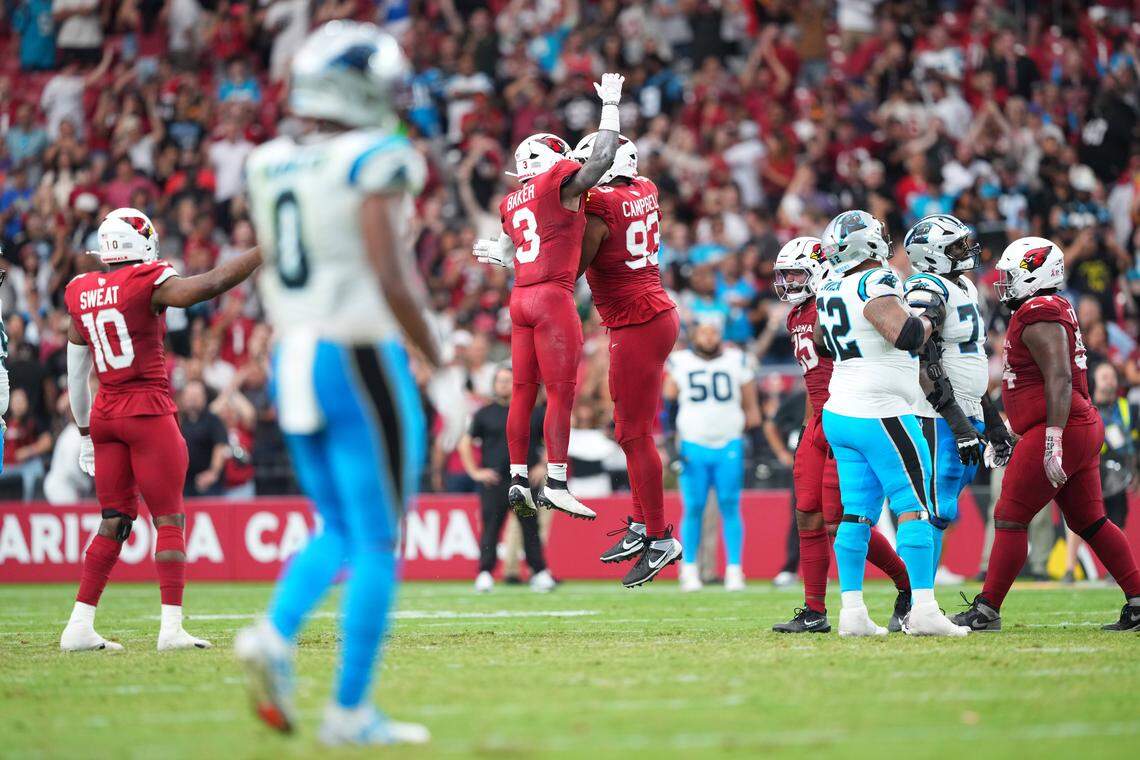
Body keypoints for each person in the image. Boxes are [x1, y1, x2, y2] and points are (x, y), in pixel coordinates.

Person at [235, 23, 441, 745]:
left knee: (340, 528)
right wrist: (436, 354)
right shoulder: (377, 156)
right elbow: (391, 276)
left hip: (293, 355)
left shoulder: (265, 163)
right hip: (355, 352)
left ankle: (275, 631)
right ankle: (350, 711)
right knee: (380, 541)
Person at [58, 207, 261, 652]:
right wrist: (264, 252)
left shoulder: (80, 289)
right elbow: (207, 286)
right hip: (147, 409)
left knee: (113, 520)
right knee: (169, 517)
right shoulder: (145, 281)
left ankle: (79, 625)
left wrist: (86, 433)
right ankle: (170, 629)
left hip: (106, 415)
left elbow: (76, 376)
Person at [954, 237, 1140, 632]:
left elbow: (1059, 376)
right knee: (1089, 520)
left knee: (1009, 515)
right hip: (1074, 423)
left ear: (1037, 275)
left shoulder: (1039, 309)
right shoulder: (1046, 307)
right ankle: (1139, 600)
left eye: (1012, 275)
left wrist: (1052, 437)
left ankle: (986, 609)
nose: (1004, 283)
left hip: (1061, 426)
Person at [471, 72, 627, 523]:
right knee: (561, 394)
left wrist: (503, 257)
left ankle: (518, 477)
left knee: (522, 392)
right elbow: (598, 161)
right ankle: (556, 483)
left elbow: (515, 247)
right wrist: (611, 107)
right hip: (553, 297)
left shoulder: (511, 200)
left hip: (520, 298)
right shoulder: (556, 181)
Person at [816, 209, 967, 637]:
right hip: (879, 411)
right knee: (914, 507)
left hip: (841, 410)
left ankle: (852, 613)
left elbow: (820, 342)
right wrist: (929, 318)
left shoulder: (829, 285)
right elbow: (906, 335)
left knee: (856, 515)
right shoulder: (875, 280)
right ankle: (923, 608)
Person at [769, 237, 913, 634]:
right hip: (816, 422)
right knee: (807, 515)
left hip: (847, 412)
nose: (789, 282)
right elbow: (810, 380)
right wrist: (805, 429)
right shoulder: (795, 316)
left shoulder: (835, 301)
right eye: (786, 275)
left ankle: (907, 585)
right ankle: (814, 610)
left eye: (796, 273)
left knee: (841, 522)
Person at [569, 131, 682, 588]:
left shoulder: (603, 206)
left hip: (636, 320)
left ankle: (658, 536)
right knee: (630, 432)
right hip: (654, 313)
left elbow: (573, 267)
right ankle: (641, 523)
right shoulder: (646, 188)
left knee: (633, 434)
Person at [902, 215, 1015, 578]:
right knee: (932, 508)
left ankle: (922, 601)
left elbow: (972, 362)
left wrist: (992, 422)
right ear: (931, 254)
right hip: (938, 415)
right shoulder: (924, 286)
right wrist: (959, 422)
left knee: (943, 508)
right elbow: (922, 355)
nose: (965, 251)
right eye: (955, 246)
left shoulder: (964, 285)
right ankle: (914, 603)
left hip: (967, 411)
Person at [662, 318, 760, 592]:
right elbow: (667, 407)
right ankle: (689, 568)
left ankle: (734, 569)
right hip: (692, 444)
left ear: (720, 334)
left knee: (730, 504)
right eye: (703, 332)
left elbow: (752, 407)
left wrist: (757, 446)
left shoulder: (737, 360)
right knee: (693, 507)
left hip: (729, 442)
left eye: (713, 331)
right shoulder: (680, 361)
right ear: (694, 334)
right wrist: (670, 445)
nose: (708, 337)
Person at [458, 365, 554, 594]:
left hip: (523, 481)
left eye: (507, 380)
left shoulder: (533, 411)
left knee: (530, 528)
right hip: (495, 481)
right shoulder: (485, 413)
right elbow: (465, 443)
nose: (502, 385)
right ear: (494, 384)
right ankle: (485, 572)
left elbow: (552, 438)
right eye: (499, 381)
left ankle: (538, 572)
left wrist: (543, 465)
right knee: (491, 528)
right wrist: (475, 472)